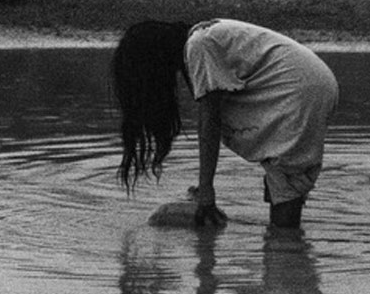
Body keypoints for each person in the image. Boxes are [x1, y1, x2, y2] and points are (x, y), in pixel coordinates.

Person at [113, 18, 339, 229]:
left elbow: (209, 122)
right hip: (308, 83)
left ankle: (286, 250)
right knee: (282, 180)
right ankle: (285, 250)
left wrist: (207, 192)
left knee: (286, 182)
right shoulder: (201, 40)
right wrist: (203, 187)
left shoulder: (199, 45)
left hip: (300, 89)